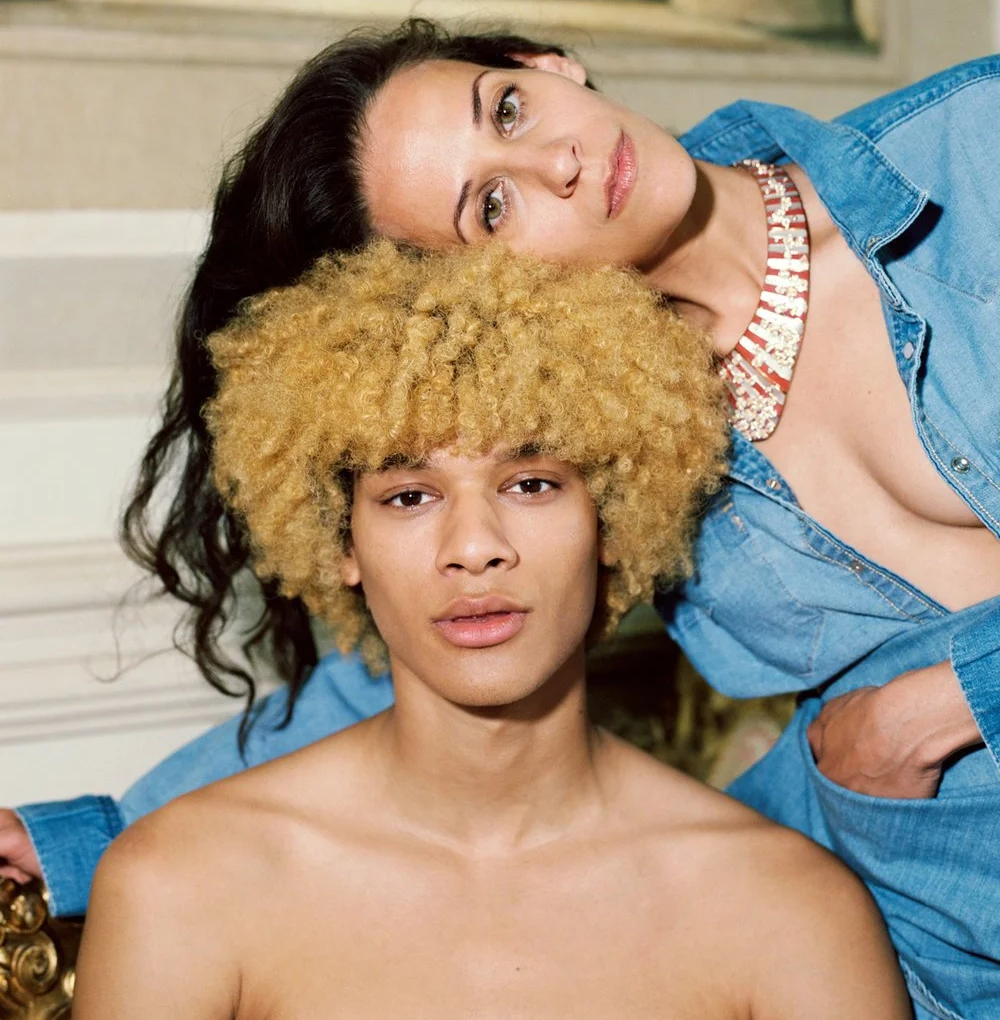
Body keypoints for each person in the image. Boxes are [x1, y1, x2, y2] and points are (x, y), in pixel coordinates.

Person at [4, 20, 998, 1018]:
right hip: (942, 937)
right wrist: (93, 838)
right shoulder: (621, 423)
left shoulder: (974, 149)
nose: (558, 162)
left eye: (507, 109)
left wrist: (931, 707)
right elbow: (426, 650)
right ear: (476, 289)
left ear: (544, 64)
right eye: (490, 206)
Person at [72, 242, 909, 1020]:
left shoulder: (786, 911)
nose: (474, 548)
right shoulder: (180, 887)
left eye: (532, 484)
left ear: (612, 519)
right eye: (409, 496)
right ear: (341, 543)